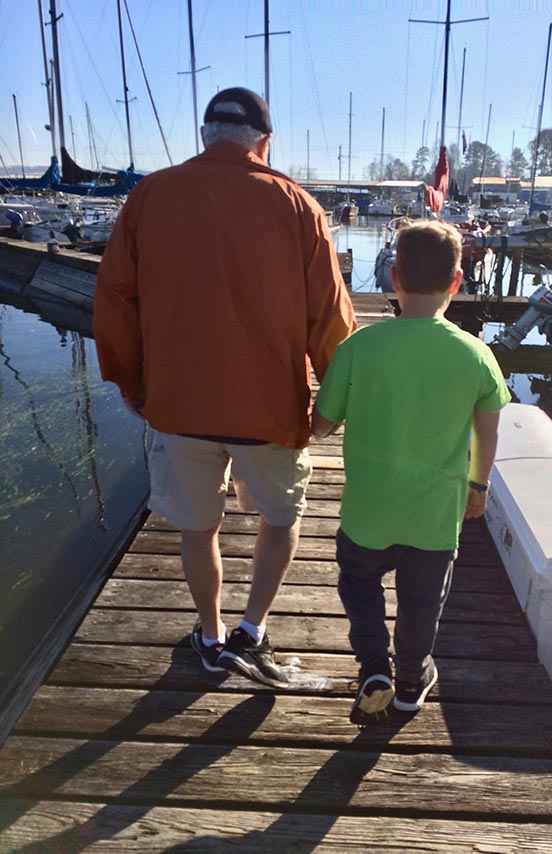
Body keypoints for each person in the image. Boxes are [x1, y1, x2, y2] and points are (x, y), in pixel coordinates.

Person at [93, 87, 356, 689]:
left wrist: (131, 382)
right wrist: (329, 408)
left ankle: (210, 636)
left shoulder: (150, 195)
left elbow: (114, 298)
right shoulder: (298, 205)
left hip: (179, 404)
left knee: (197, 527)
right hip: (270, 407)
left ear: (205, 134)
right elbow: (333, 321)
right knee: (282, 518)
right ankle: (253, 630)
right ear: (265, 141)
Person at [312, 220, 510, 724]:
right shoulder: (477, 356)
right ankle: (410, 679)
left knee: (359, 585)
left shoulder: (358, 347)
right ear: (457, 282)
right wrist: (478, 486)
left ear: (393, 277)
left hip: (368, 513)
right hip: (434, 519)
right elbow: (486, 435)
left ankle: (374, 666)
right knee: (422, 604)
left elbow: (321, 424)